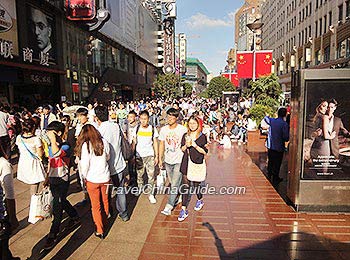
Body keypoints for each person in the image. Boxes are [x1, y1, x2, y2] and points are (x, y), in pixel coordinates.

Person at [44, 121, 79, 250]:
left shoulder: (66, 146)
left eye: (51, 133)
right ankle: (74, 216)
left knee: (57, 206)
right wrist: (47, 176)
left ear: (58, 133)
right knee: (61, 200)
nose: (48, 135)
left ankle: (53, 233)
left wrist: (53, 140)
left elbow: (57, 153)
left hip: (62, 179)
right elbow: (50, 160)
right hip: (53, 178)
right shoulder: (51, 145)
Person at [94, 106, 129, 222]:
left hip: (107, 167)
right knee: (120, 190)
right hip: (119, 164)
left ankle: (108, 212)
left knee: (106, 193)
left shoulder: (99, 131)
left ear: (96, 118)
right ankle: (124, 214)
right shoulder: (115, 126)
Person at [75, 124, 110, 239]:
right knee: (105, 201)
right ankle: (105, 222)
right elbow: (108, 157)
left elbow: (85, 165)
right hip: (106, 178)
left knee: (95, 206)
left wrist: (84, 177)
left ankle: (99, 229)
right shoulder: (104, 142)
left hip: (92, 180)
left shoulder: (86, 145)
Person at [178, 116, 208, 221]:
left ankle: (200, 199)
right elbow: (181, 149)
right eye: (190, 123)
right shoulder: (185, 136)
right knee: (185, 185)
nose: (192, 125)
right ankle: (184, 209)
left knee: (196, 185)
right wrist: (186, 145)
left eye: (194, 123)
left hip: (197, 162)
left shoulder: (202, 136)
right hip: (186, 162)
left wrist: (194, 145)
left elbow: (205, 152)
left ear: (198, 124)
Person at [159, 108, 187, 216]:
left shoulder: (182, 129)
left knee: (174, 183)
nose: (169, 119)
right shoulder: (163, 130)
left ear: (176, 118)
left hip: (179, 159)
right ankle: (178, 195)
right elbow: (161, 144)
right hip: (168, 159)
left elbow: (187, 140)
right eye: (168, 116)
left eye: (172, 117)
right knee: (172, 181)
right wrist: (160, 158)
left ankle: (169, 205)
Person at [134, 110, 159, 204]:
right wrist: (132, 154)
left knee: (151, 176)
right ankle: (140, 187)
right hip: (139, 155)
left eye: (145, 119)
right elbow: (134, 142)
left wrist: (156, 156)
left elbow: (155, 142)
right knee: (139, 174)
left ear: (148, 119)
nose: (143, 121)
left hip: (150, 155)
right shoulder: (136, 129)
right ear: (139, 119)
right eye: (142, 119)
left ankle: (151, 193)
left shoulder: (152, 129)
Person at [15, 119, 46, 195]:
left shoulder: (19, 137)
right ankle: (34, 200)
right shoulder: (36, 139)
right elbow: (40, 154)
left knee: (32, 181)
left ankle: (34, 198)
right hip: (33, 162)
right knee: (35, 182)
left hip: (23, 161)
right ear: (33, 127)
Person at [263, 107, 289, 183]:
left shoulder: (272, 121)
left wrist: (267, 115)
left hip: (271, 146)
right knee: (277, 163)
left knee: (271, 161)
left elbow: (266, 119)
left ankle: (269, 174)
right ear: (285, 114)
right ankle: (275, 177)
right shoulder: (284, 124)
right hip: (279, 147)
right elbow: (286, 137)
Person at [0, 152, 19, 232]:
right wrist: (13, 217)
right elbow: (9, 194)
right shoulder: (4, 164)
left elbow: (9, 194)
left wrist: (12, 217)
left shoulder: (3, 164)